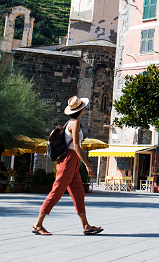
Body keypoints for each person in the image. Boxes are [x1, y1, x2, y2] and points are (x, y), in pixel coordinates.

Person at [33, 96, 103, 236]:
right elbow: (76, 146)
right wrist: (88, 165)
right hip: (69, 160)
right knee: (57, 191)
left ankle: (86, 226)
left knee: (78, 192)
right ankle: (38, 224)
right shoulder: (75, 124)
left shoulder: (70, 123)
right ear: (81, 109)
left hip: (72, 161)